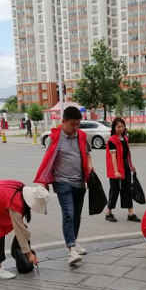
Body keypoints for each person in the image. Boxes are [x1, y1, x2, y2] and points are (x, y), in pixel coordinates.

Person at [34, 107, 94, 265]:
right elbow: (48, 160)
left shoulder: (81, 135)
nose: (76, 128)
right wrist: (44, 182)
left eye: (78, 124)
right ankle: (71, 251)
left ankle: (73, 241)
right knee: (68, 213)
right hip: (62, 182)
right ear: (64, 122)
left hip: (79, 182)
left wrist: (89, 165)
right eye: (73, 124)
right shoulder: (54, 138)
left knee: (76, 215)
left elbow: (88, 153)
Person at [105, 117, 141, 223]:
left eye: (122, 126)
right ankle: (108, 213)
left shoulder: (125, 138)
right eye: (118, 127)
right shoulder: (112, 140)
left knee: (127, 190)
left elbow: (126, 154)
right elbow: (113, 158)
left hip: (125, 166)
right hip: (115, 167)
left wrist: (131, 165)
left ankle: (130, 214)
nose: (121, 128)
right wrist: (116, 171)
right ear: (114, 127)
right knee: (114, 190)